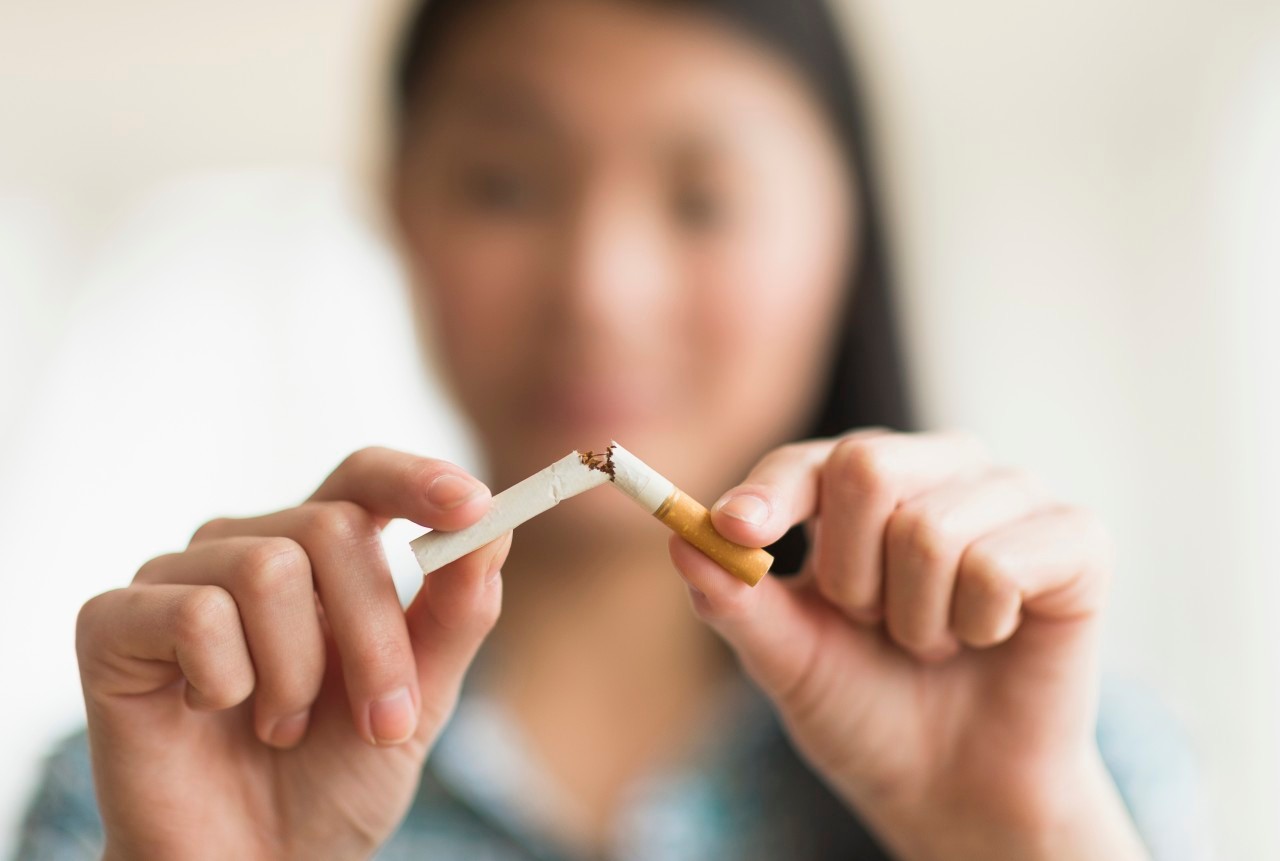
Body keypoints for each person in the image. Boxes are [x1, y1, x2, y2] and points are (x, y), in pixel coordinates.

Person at [16, 0, 1206, 858]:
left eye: (703, 201)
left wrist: (1008, 837)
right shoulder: (172, 763)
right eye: (505, 184)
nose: (600, 288)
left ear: (840, 231)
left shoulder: (1068, 762)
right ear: (397, 209)